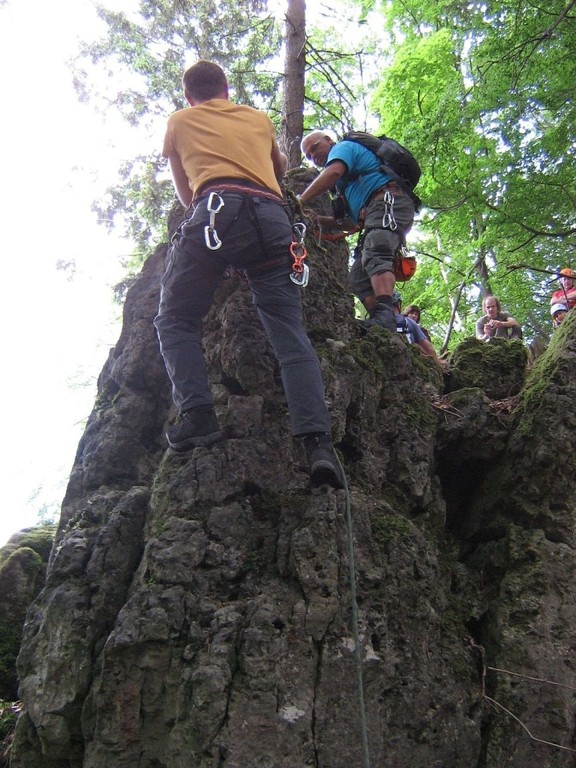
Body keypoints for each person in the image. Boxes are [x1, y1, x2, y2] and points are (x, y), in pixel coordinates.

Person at [154, 60, 343, 490]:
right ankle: (318, 447)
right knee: (290, 336)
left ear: (190, 96)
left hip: (215, 212)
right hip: (272, 221)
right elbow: (277, 170)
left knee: (175, 318)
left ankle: (198, 416)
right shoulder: (257, 119)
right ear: (226, 88)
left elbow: (187, 194)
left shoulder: (180, 122)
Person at [297, 130, 415, 332]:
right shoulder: (345, 186)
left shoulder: (343, 148)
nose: (313, 156)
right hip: (374, 212)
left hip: (387, 200)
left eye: (314, 148)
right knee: (358, 276)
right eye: (308, 156)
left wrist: (299, 201)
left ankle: (386, 316)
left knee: (376, 251)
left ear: (328, 140)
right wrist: (321, 220)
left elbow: (332, 172)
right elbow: (352, 224)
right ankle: (385, 323)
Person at [392, 293, 442, 365]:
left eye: (416, 314)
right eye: (412, 313)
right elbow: (428, 348)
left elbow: (428, 349)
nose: (414, 316)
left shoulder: (423, 331)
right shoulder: (407, 321)